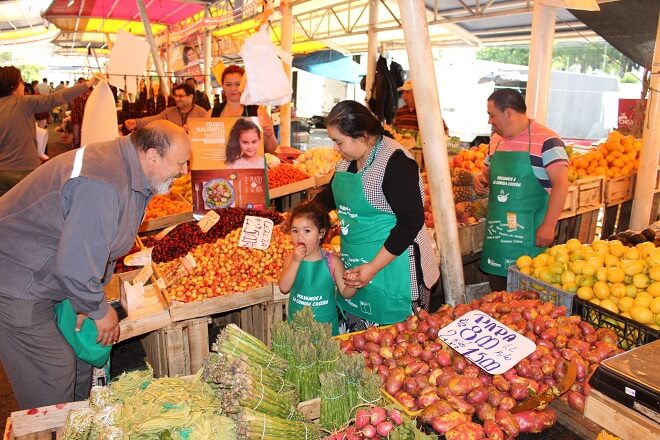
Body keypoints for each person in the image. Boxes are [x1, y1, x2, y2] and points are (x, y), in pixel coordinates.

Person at [0, 120, 191, 409]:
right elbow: (74, 265)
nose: (184, 171)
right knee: (53, 370)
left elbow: (99, 246)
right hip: (16, 280)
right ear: (152, 156)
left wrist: (85, 303)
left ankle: (74, 426)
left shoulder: (128, 169)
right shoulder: (104, 184)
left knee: (78, 362)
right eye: (180, 163)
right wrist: (99, 310)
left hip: (42, 273)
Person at [313, 100, 439, 332]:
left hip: (396, 269)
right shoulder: (346, 163)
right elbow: (331, 195)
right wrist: (306, 216)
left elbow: (411, 222)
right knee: (362, 343)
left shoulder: (396, 162)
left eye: (339, 142)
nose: (336, 149)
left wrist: (372, 267)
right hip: (357, 265)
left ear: (361, 136)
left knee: (398, 344)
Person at [474, 88, 569, 291]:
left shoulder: (548, 141)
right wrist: (481, 179)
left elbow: (561, 184)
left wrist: (549, 225)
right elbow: (488, 172)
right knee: (498, 297)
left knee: (528, 301)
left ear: (508, 112)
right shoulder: (495, 140)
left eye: (492, 115)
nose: (490, 121)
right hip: (498, 235)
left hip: (530, 235)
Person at [0, 66, 101, 196]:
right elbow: (56, 98)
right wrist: (88, 83)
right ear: (13, 85)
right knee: (29, 209)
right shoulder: (24, 102)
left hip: (2, 172)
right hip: (24, 170)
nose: (23, 85)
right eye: (21, 81)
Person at [279, 202, 355, 335]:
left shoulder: (333, 262)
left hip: (326, 331)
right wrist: (296, 261)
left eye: (307, 231)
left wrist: (353, 282)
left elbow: (345, 292)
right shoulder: (291, 259)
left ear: (321, 233)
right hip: (297, 332)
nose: (300, 236)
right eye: (295, 231)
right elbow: (284, 288)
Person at [207, 65, 277, 154]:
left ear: (245, 85)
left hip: (250, 166)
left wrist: (269, 136)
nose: (233, 89)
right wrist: (191, 132)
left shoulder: (258, 113)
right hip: (219, 165)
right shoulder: (211, 114)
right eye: (228, 84)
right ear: (223, 86)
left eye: (238, 84)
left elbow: (271, 150)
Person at [124, 83, 206, 133]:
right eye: (176, 96)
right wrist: (136, 122)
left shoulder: (202, 113)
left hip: (195, 154)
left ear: (190, 97)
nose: (177, 99)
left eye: (181, 96)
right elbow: (154, 120)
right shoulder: (169, 112)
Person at [70, 77, 93, 149]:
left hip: (84, 116)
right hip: (78, 116)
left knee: (82, 134)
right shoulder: (76, 92)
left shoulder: (90, 92)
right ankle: (77, 149)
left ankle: (81, 148)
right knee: (77, 135)